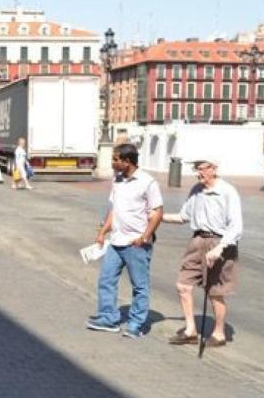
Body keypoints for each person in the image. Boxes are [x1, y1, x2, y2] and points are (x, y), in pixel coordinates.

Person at [162, 156, 242, 348]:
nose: (198, 173)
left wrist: (219, 248)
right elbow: (184, 216)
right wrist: (157, 217)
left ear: (214, 168)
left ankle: (219, 333)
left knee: (214, 292)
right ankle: (190, 330)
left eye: (202, 168)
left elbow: (236, 227)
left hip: (220, 242)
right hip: (197, 240)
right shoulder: (196, 190)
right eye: (196, 168)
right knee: (183, 285)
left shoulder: (227, 192)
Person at [85, 143, 163, 338]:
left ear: (127, 162)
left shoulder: (147, 182)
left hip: (136, 244)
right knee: (106, 280)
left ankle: (136, 324)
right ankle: (108, 318)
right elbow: (114, 210)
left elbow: (157, 213)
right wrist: (103, 232)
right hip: (116, 241)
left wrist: (144, 237)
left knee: (139, 285)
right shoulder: (117, 180)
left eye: (116, 159)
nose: (113, 163)